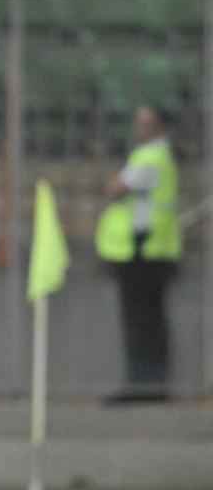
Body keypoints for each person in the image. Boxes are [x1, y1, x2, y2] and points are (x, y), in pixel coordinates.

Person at [96, 105, 181, 404]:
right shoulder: (160, 157)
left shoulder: (150, 157)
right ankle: (151, 384)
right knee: (150, 321)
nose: (138, 129)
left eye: (145, 123)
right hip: (153, 250)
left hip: (143, 251)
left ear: (158, 127)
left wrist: (112, 176)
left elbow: (115, 189)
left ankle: (143, 385)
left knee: (141, 322)